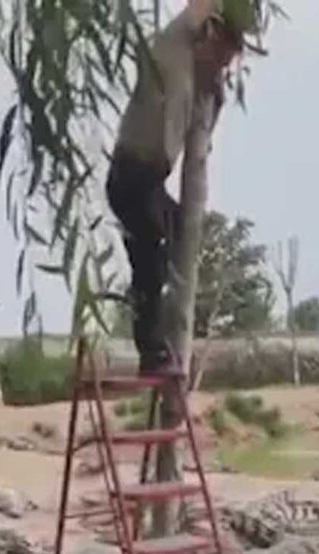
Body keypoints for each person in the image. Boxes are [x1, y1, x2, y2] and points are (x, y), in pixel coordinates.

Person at [106, 0, 252, 374]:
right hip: (131, 173)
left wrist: (217, 89)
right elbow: (200, 7)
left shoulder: (200, 88)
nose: (221, 67)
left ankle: (159, 336)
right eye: (220, 57)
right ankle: (153, 351)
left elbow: (209, 109)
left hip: (149, 179)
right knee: (155, 254)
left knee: (169, 243)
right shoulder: (172, 49)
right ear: (207, 38)